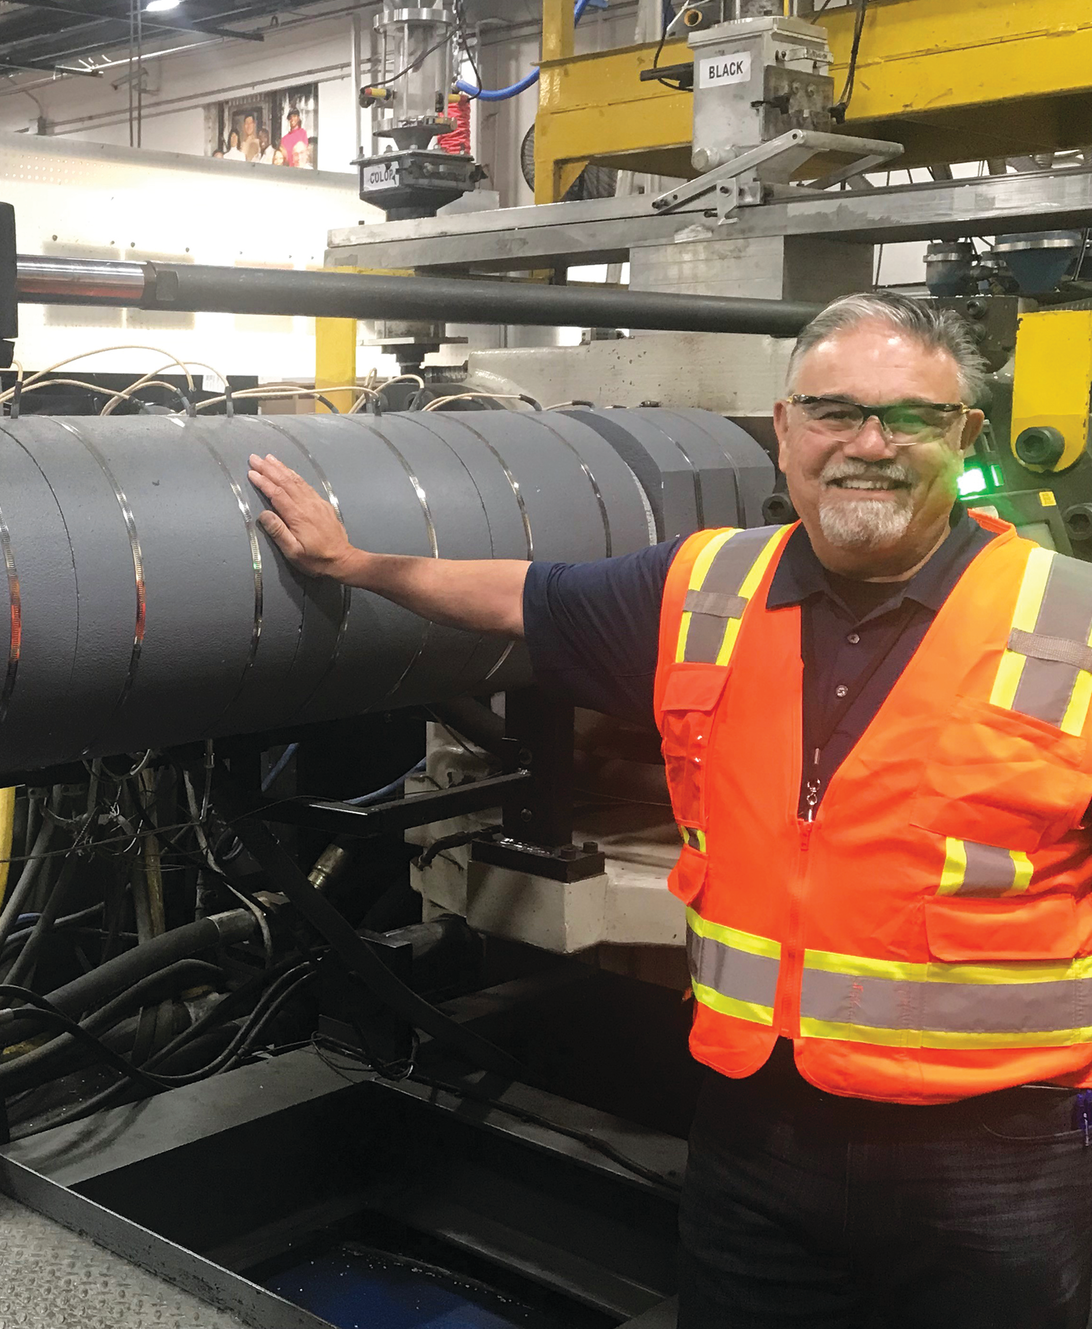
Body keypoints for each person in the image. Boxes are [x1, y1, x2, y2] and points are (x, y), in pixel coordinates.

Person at [246, 289, 1092, 1329]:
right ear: (784, 431)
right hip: (757, 1128)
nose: (867, 444)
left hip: (991, 1153)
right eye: (833, 411)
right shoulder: (706, 592)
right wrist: (359, 565)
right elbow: (526, 594)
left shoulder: (1070, 625)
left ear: (964, 434)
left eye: (909, 417)